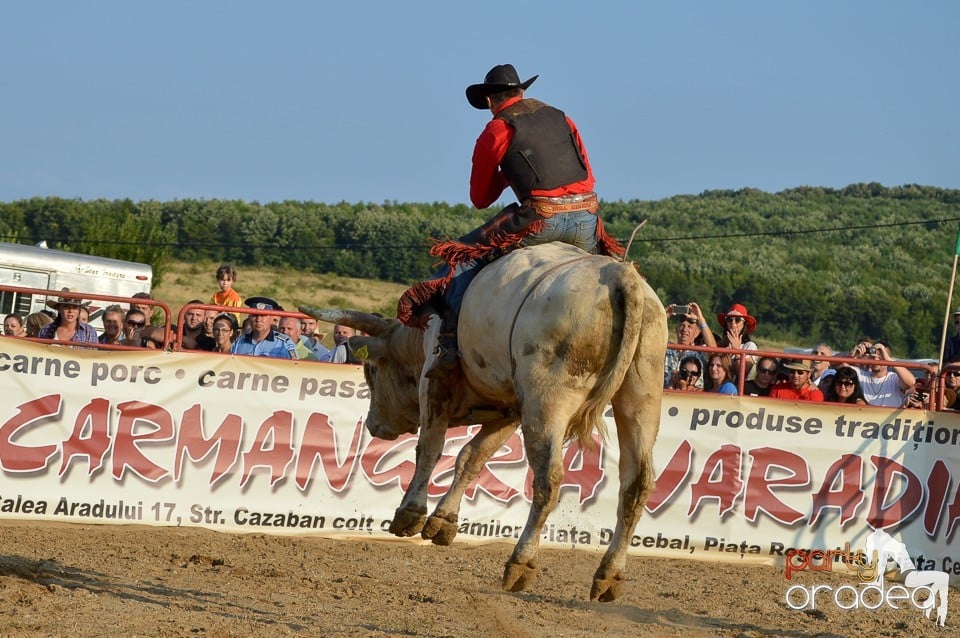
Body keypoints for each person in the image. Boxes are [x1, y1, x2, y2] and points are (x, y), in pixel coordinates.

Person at [397, 63, 624, 378]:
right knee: (615, 272)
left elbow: (481, 198)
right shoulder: (562, 117)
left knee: (461, 259)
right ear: (521, 91)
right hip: (588, 219)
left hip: (540, 219)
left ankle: (448, 342)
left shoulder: (497, 129)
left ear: (490, 101)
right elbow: (586, 172)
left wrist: (506, 175)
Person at [663, 302, 716, 388]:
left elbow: (714, 352)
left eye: (690, 327)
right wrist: (664, 316)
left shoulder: (700, 352)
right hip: (666, 396)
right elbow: (647, 340)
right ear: (676, 329)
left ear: (696, 333)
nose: (684, 330)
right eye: (682, 326)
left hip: (692, 398)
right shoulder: (666, 348)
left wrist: (701, 320)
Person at [850, 338, 915, 407]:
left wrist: (889, 360)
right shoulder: (861, 375)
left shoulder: (894, 379)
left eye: (881, 356)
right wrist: (852, 354)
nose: (876, 359)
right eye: (873, 355)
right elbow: (838, 365)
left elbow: (911, 382)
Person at [714, 303, 759, 379]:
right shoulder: (720, 344)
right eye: (729, 319)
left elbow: (743, 373)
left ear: (744, 324)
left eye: (737, 320)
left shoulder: (750, 346)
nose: (733, 323)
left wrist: (737, 351)